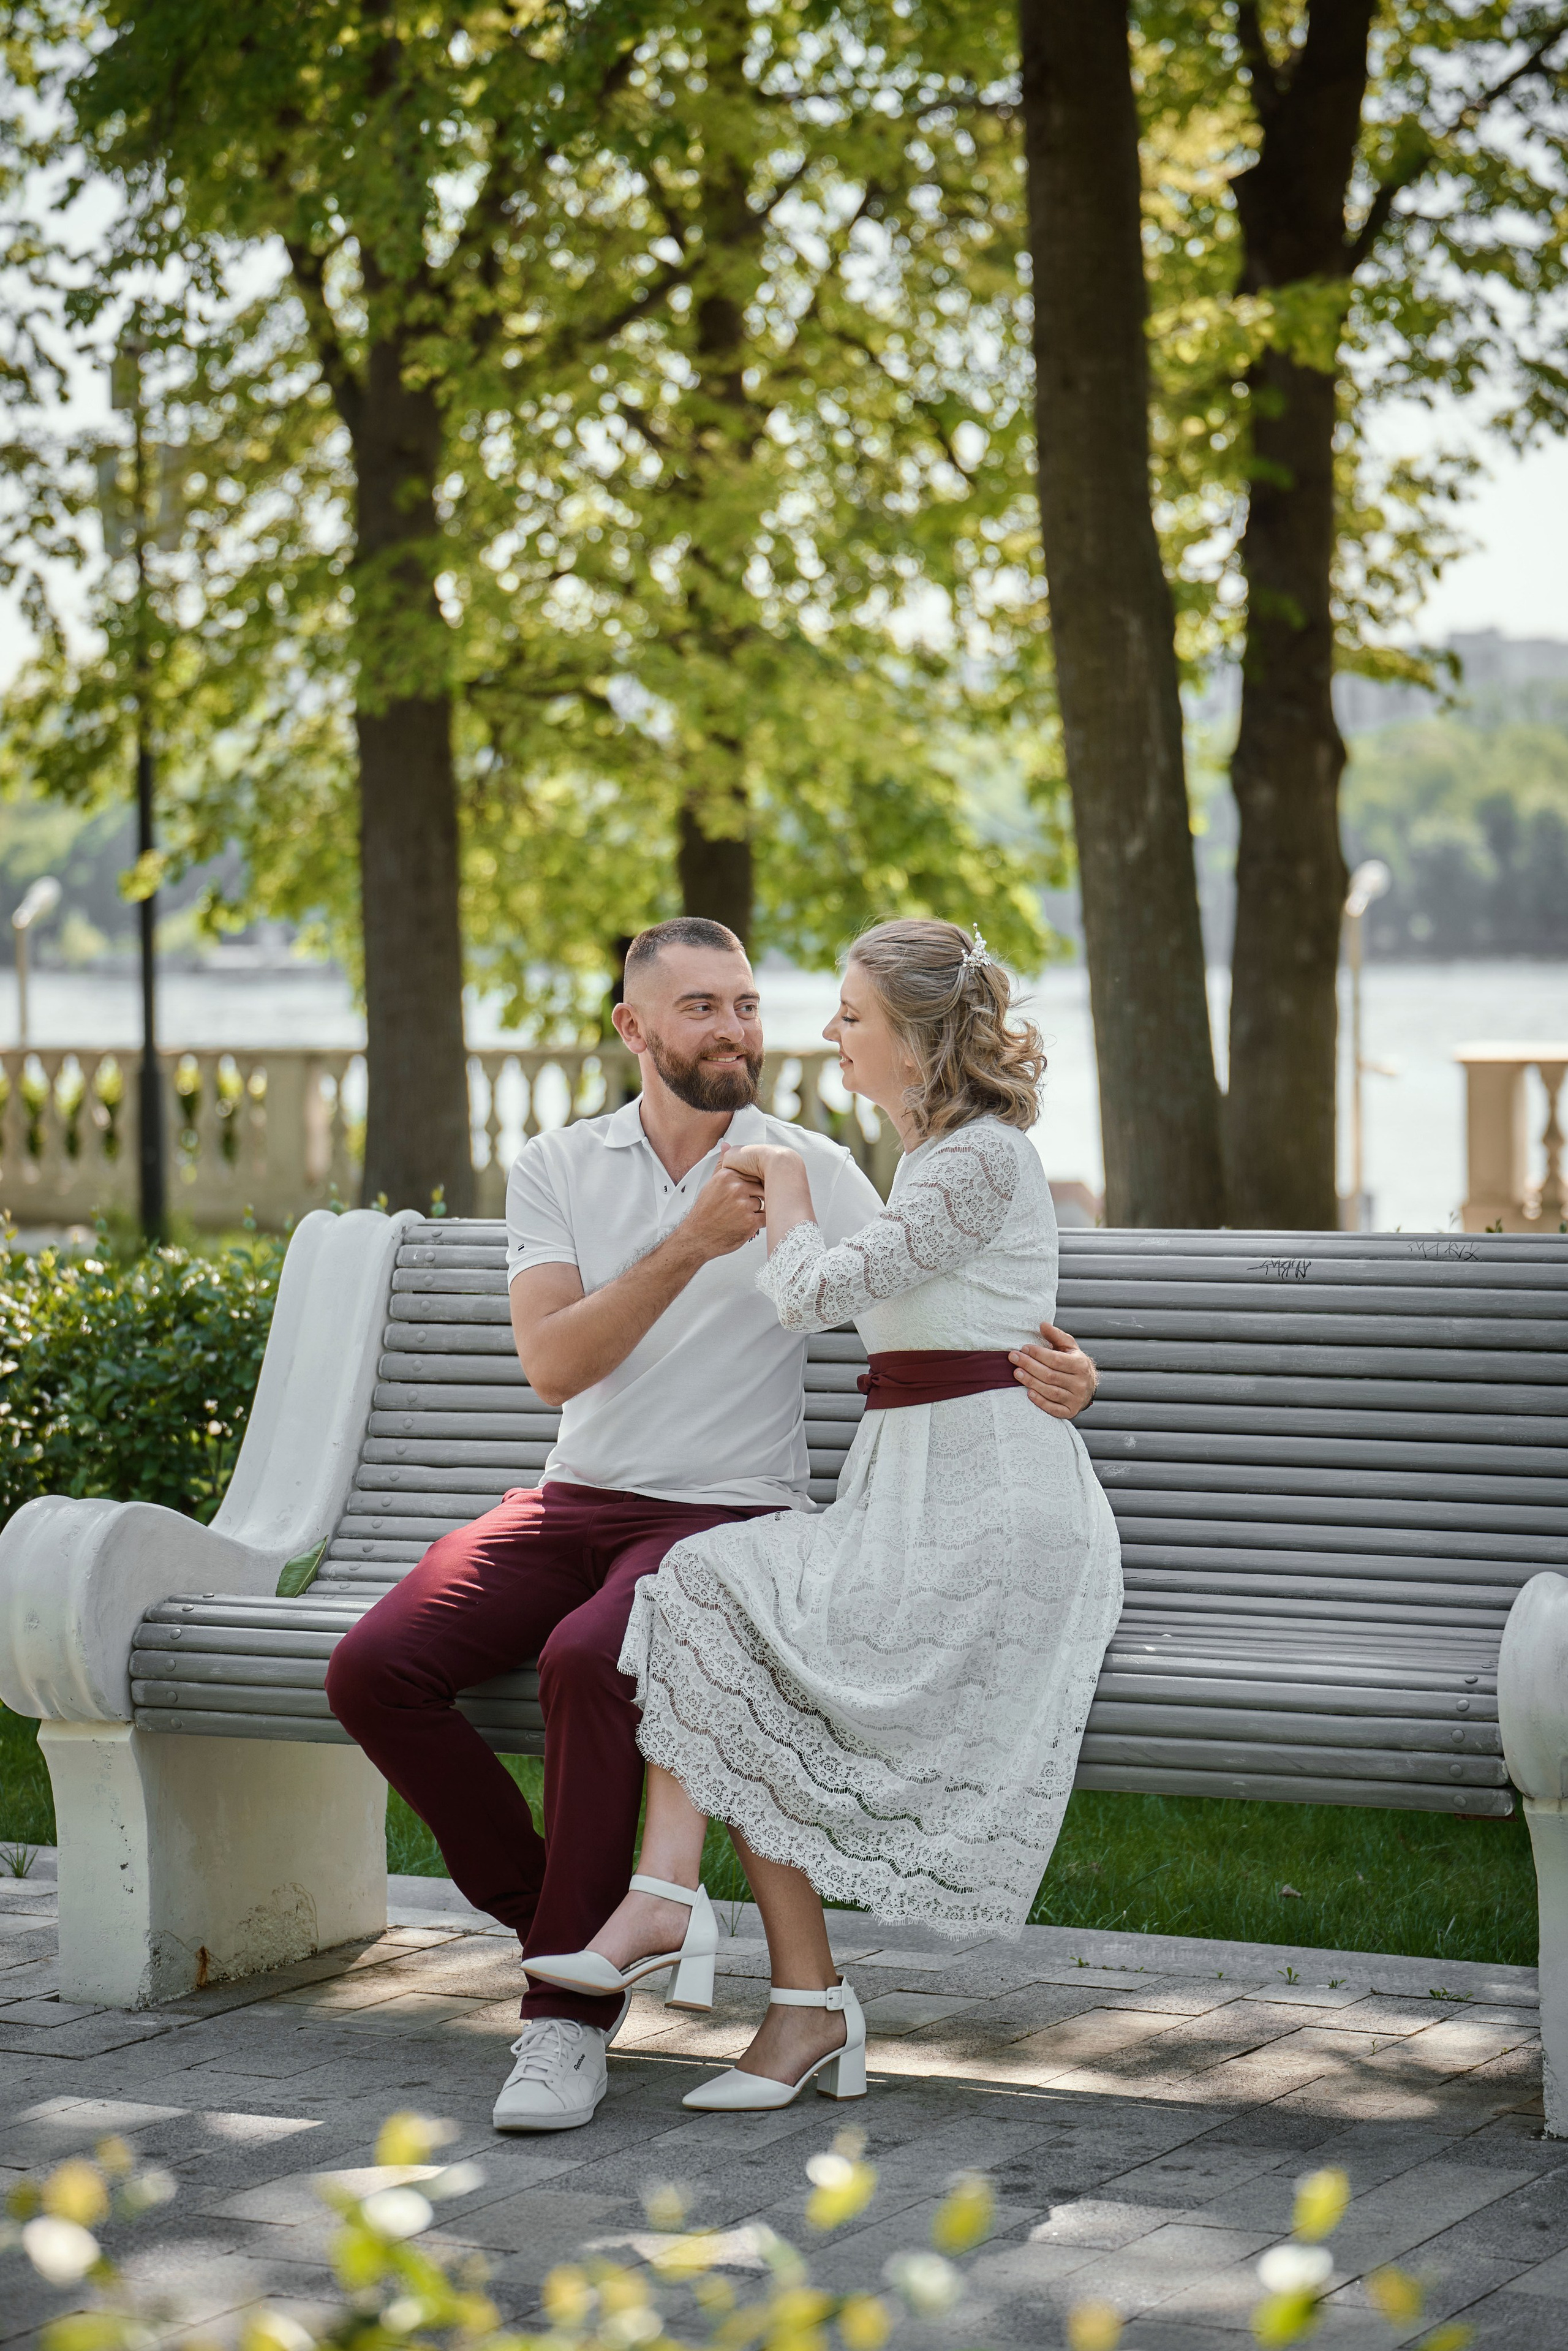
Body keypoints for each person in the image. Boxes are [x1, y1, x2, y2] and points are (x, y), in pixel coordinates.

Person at [325, 918, 1099, 2134]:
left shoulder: (814, 1163)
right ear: (634, 1029)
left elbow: (930, 1307)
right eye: (702, 1008)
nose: (738, 1030)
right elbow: (551, 1363)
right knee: (372, 1669)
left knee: (596, 1656)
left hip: (724, 1508)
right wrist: (689, 1241)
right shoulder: (557, 1166)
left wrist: (1053, 1375)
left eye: (745, 1003)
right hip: (570, 1496)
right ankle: (566, 1933)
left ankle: (562, 2022)